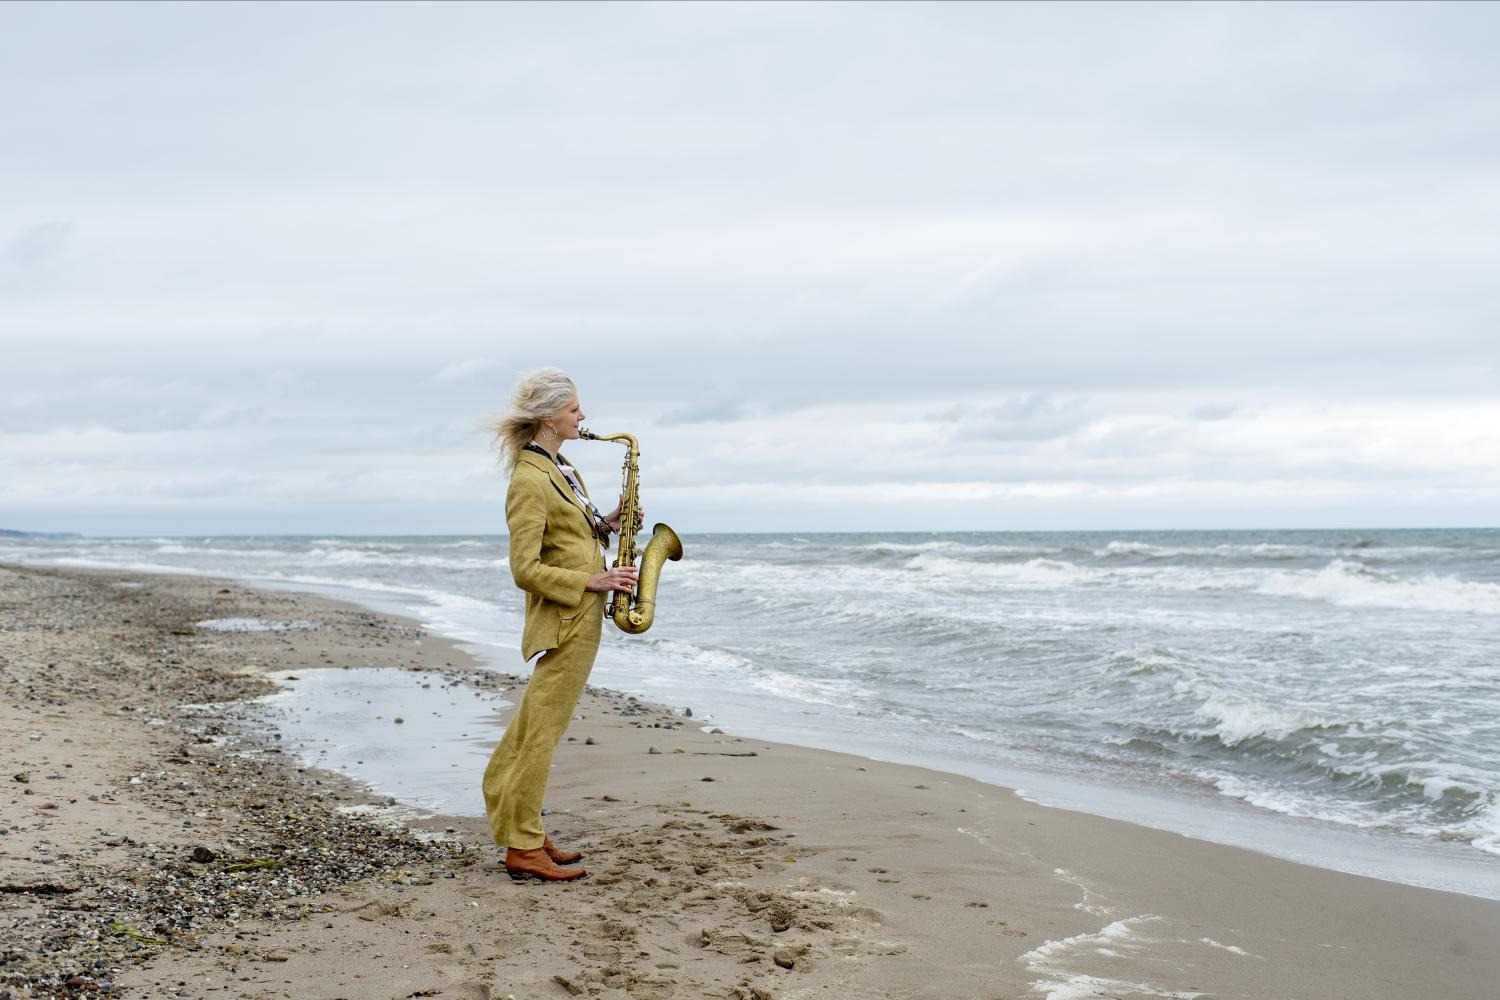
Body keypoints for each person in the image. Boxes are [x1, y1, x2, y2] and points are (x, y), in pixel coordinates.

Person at [481, 367, 639, 882]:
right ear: (548, 418)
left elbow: (568, 535)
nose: (583, 416)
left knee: (531, 728)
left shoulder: (561, 466)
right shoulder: (529, 479)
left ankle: (520, 827)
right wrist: (593, 581)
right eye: (574, 409)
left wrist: (608, 524)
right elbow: (524, 569)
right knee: (543, 733)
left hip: (578, 615)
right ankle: (523, 847)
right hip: (567, 618)